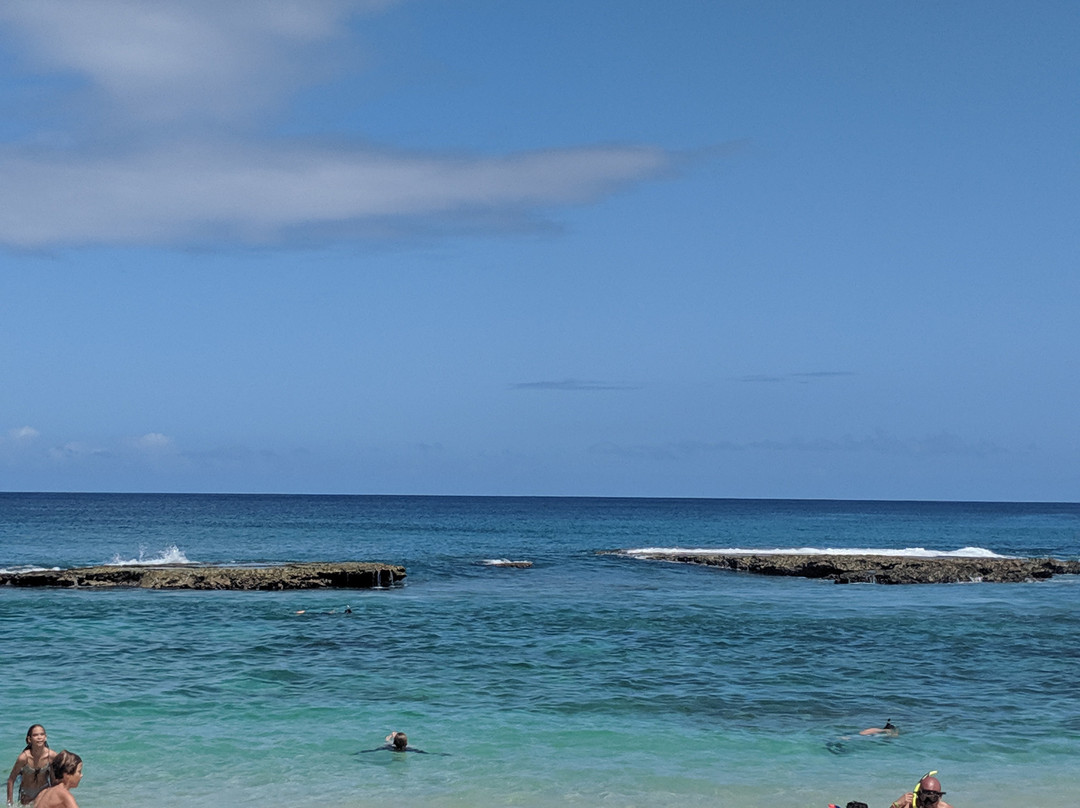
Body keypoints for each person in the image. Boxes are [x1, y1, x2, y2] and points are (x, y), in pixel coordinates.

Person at [6, 724, 58, 806]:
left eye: (42, 734)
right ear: (29, 739)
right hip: (26, 792)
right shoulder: (23, 758)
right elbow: (11, 780)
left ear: (46, 737)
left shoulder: (51, 756)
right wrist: (9, 803)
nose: (39, 737)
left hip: (44, 790)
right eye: (35, 735)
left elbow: (54, 779)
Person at [889, 771, 953, 808]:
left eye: (933, 798)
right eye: (924, 797)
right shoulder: (908, 806)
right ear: (918, 795)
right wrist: (897, 804)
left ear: (940, 797)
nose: (928, 804)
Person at [359, 732, 428, 754]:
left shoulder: (389, 747)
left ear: (394, 742)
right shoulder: (408, 749)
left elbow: (374, 750)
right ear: (406, 743)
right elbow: (421, 752)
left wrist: (390, 737)